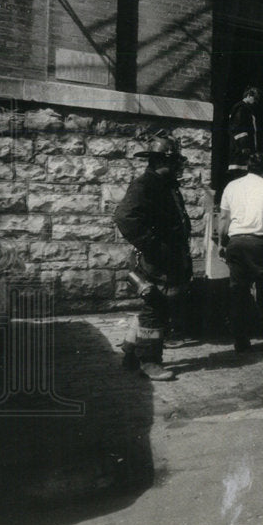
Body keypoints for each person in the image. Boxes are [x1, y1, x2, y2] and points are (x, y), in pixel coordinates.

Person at [114, 134, 192, 381]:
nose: (179, 167)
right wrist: (153, 246)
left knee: (155, 305)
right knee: (155, 306)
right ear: (161, 161)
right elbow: (125, 218)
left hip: (167, 257)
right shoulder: (145, 185)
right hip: (155, 260)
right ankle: (149, 362)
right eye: (174, 162)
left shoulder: (166, 185)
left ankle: (130, 351)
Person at [218, 152, 263, 352]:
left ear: (248, 167)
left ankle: (240, 340)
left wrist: (222, 243)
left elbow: (224, 218)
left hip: (236, 243)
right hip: (260, 245)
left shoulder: (232, 187)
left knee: (238, 292)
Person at [227, 87, 261, 183]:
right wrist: (244, 147)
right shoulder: (241, 108)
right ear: (249, 95)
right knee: (239, 178)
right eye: (255, 99)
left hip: (242, 150)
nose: (255, 102)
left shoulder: (246, 109)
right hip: (241, 151)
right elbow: (239, 129)